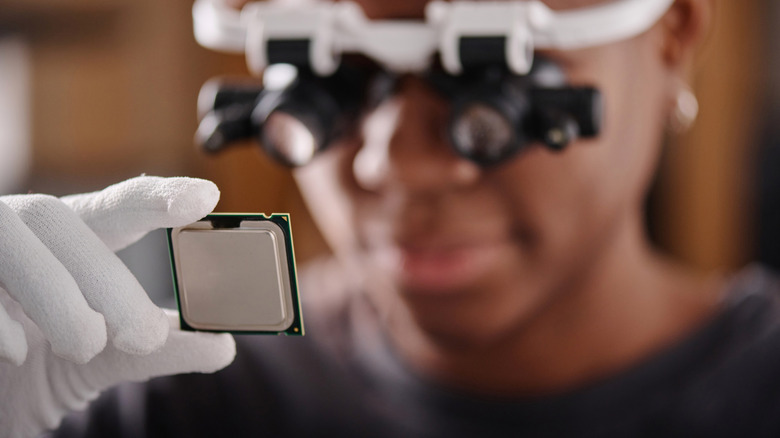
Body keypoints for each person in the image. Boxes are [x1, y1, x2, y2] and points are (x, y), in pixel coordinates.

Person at [2, 0, 780, 436]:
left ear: (672, 37)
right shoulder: (180, 398)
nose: (390, 163)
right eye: (334, 84)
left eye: (485, 92)